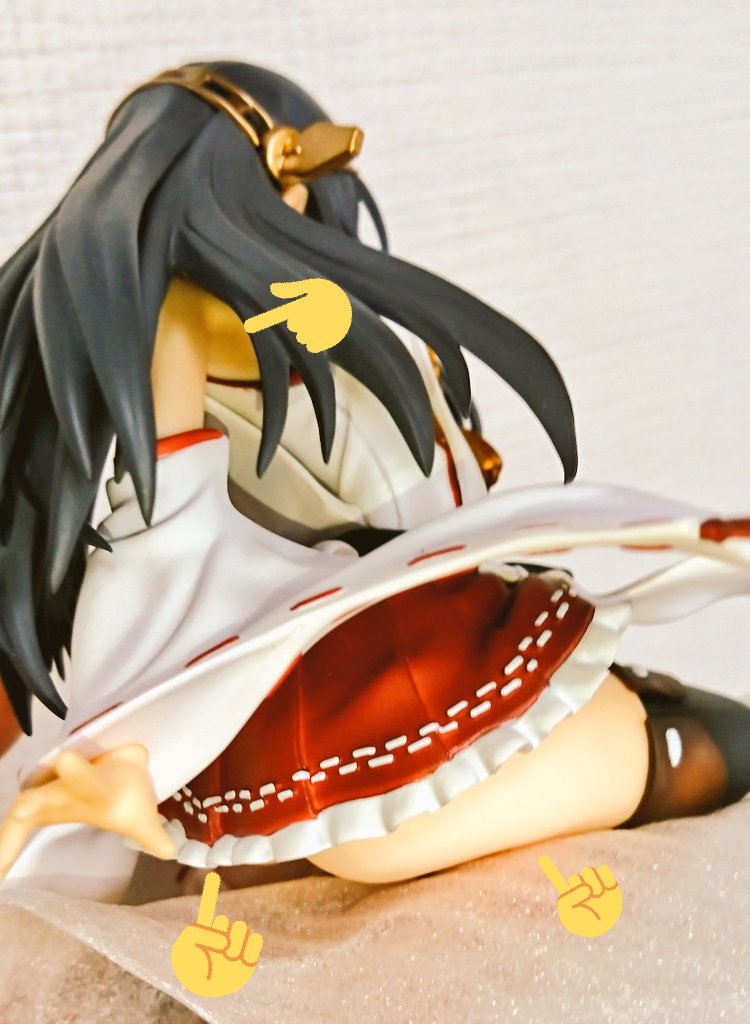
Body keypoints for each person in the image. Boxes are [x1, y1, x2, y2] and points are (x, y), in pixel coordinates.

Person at [0, 62, 748, 900]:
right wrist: (122, 748)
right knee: (378, 841)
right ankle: (661, 748)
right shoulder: (177, 327)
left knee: (660, 750)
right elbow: (161, 536)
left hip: (435, 608)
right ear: (288, 187)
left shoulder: (300, 304)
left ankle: (660, 741)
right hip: (339, 648)